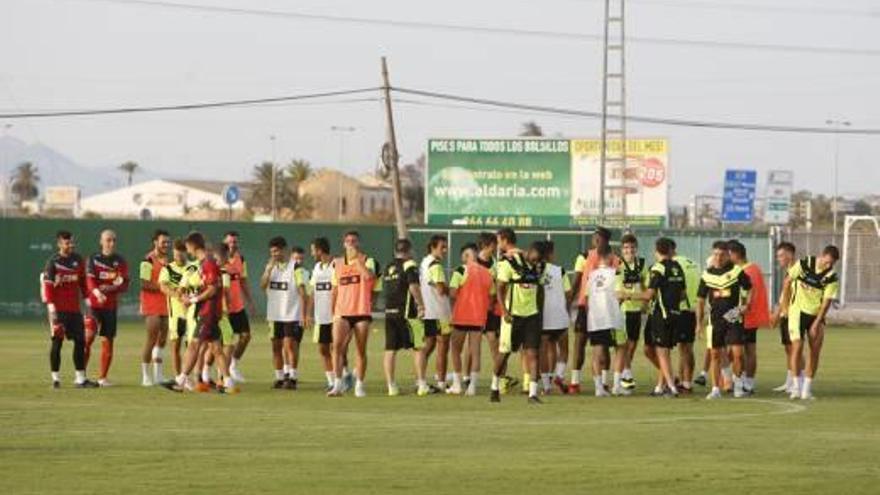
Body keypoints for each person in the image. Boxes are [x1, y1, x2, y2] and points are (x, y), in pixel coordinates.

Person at [162, 231, 237, 394]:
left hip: (208, 312)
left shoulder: (208, 264)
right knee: (216, 349)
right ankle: (228, 381)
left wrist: (194, 300)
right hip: (209, 311)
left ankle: (180, 380)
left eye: (187, 247)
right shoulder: (203, 264)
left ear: (193, 246)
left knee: (194, 345)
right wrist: (193, 295)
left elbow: (212, 289)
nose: (187, 251)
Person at [778, 245, 840, 400]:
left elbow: (826, 303)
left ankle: (807, 390)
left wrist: (816, 323)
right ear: (822, 255)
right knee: (797, 347)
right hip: (797, 312)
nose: (828, 265)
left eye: (831, 263)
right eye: (827, 262)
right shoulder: (805, 263)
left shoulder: (831, 277)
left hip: (816, 315)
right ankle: (796, 387)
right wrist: (785, 307)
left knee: (815, 351)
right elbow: (787, 283)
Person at [490, 228, 544, 404]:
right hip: (512, 316)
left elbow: (540, 289)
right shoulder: (507, 262)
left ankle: (533, 394)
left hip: (532, 316)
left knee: (533, 353)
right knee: (504, 353)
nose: (498, 244)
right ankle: (494, 387)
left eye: (499, 241)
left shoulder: (537, 264)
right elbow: (500, 288)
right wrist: (504, 312)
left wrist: (539, 311)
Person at [696, 241, 752, 399]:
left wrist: (745, 305)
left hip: (733, 316)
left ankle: (738, 385)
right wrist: (699, 323)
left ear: (728, 255)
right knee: (715, 354)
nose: (718, 257)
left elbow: (749, 287)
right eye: (715, 254)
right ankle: (715, 389)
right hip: (715, 319)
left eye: (722, 254)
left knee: (738, 354)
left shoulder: (736, 271)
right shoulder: (707, 274)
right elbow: (700, 300)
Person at [327, 231, 381, 397]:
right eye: (348, 241)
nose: (350, 243)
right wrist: (332, 311)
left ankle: (359, 385)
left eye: (354, 241)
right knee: (336, 347)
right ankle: (337, 384)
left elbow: (368, 276)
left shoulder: (367, 260)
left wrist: (357, 261)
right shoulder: (336, 263)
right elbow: (335, 289)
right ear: (343, 244)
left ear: (358, 243)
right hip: (342, 312)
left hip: (361, 311)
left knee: (360, 349)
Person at [42, 230, 96, 388]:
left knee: (80, 342)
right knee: (57, 343)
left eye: (72, 242)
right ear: (59, 244)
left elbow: (83, 284)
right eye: (67, 242)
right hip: (58, 310)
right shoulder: (53, 262)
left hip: (74, 310)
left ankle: (80, 379)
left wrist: (88, 304)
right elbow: (48, 288)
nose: (71, 245)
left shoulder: (77, 260)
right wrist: (52, 311)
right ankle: (55, 379)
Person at [569, 227, 619, 394]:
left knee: (603, 345)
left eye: (599, 238)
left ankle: (603, 382)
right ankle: (575, 381)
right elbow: (576, 282)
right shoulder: (584, 257)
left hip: (605, 307)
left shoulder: (614, 259)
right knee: (580, 341)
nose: (595, 241)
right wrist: (569, 301)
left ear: (606, 240)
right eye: (594, 238)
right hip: (585, 305)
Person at [83, 229, 129, 387]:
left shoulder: (120, 261)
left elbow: (124, 284)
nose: (111, 243)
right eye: (108, 240)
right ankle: (81, 375)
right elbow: (90, 281)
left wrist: (109, 289)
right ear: (101, 241)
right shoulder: (93, 259)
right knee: (88, 337)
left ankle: (102, 378)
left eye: (114, 240)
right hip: (94, 306)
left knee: (108, 342)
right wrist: (97, 292)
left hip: (110, 307)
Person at [261, 236, 307, 390]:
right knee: (276, 347)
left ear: (284, 250)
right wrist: (268, 270)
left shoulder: (296, 268)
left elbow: (302, 292)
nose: (274, 254)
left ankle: (292, 377)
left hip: (291, 314)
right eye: (272, 252)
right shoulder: (270, 267)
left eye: (277, 251)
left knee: (289, 346)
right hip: (275, 315)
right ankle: (280, 377)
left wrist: (304, 314)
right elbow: (262, 285)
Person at [641, 237, 686, 398]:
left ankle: (672, 387)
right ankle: (660, 386)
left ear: (656, 251)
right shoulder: (678, 267)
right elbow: (682, 294)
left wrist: (626, 294)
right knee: (661, 351)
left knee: (662, 352)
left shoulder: (658, 268)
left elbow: (648, 295)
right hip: (675, 313)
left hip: (662, 314)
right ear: (670, 250)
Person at [381, 238, 426, 396]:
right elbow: (413, 287)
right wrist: (421, 305)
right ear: (409, 250)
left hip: (389, 312)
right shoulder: (410, 265)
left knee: (390, 349)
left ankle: (391, 386)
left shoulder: (388, 267)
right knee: (418, 347)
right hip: (408, 312)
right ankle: (421, 384)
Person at [449, 242, 493, 395]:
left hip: (461, 316)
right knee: (476, 352)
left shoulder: (461, 270)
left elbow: (453, 293)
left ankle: (457, 384)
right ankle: (472, 387)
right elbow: (492, 295)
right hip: (479, 317)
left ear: (467, 255)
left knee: (455, 350)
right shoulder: (487, 272)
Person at [728, 240, 770, 395]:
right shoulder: (755, 268)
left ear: (735, 254)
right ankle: (747, 383)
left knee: (739, 351)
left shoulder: (745, 271)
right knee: (749, 350)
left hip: (744, 316)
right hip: (752, 315)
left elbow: (748, 298)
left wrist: (728, 317)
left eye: (728, 254)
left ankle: (742, 382)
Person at [584, 243, 625, 397]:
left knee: (597, 353)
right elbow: (620, 295)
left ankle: (598, 388)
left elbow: (587, 298)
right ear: (609, 256)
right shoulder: (616, 273)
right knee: (621, 348)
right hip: (612, 317)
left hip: (595, 318)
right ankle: (616, 385)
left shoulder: (592, 275)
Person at [158, 239, 198, 378]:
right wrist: (180, 297)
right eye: (176, 253)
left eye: (181, 253)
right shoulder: (167, 269)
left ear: (186, 252)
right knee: (175, 346)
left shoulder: (193, 267)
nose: (178, 256)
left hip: (193, 313)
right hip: (176, 314)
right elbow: (163, 287)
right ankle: (178, 376)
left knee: (192, 346)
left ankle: (190, 376)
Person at [418, 235, 452, 395]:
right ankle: (441, 382)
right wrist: (452, 290)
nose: (445, 250)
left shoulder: (424, 262)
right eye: (442, 247)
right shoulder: (435, 265)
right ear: (433, 247)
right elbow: (440, 289)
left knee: (428, 347)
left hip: (428, 312)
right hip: (440, 313)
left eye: (446, 247)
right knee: (442, 347)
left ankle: (421, 380)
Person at [536, 241, 571, 395]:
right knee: (563, 349)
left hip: (543, 318)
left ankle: (546, 386)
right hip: (559, 316)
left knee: (543, 351)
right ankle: (559, 375)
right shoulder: (560, 271)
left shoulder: (535, 271)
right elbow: (569, 293)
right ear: (549, 254)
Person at [614, 234, 647, 394]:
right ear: (622, 250)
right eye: (626, 248)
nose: (629, 250)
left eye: (632, 247)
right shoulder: (618, 265)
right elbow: (618, 292)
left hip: (636, 310)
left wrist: (644, 303)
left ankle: (624, 376)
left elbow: (647, 286)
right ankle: (625, 377)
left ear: (636, 249)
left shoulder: (642, 264)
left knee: (632, 346)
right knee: (623, 346)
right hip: (623, 310)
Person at [308, 237, 341, 391]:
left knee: (338, 349)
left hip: (336, 316)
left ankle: (342, 378)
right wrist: (308, 313)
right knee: (323, 349)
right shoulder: (316, 267)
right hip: (321, 316)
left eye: (313, 250)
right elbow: (313, 292)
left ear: (320, 250)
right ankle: (331, 381)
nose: (311, 253)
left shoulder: (336, 264)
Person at [770, 242, 802, 394]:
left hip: (793, 315)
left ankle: (799, 382)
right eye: (778, 256)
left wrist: (779, 313)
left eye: (781, 256)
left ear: (790, 255)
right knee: (789, 349)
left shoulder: (798, 271)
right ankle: (790, 381)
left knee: (796, 349)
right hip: (785, 315)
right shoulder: (788, 271)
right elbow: (784, 295)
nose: (779, 259)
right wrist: (778, 313)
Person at [139, 229, 170, 386]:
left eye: (167, 242)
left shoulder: (169, 261)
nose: (166, 244)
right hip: (151, 305)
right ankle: (145, 375)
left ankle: (158, 375)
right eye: (163, 241)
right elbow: (144, 283)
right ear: (155, 242)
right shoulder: (147, 260)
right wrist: (163, 287)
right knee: (151, 339)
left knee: (163, 339)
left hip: (166, 304)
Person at [223, 231, 255, 383]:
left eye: (235, 242)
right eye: (230, 242)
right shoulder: (218, 261)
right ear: (224, 242)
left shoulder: (241, 259)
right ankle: (211, 373)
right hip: (223, 308)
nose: (232, 244)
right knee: (222, 342)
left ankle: (233, 366)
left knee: (245, 336)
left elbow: (243, 281)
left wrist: (250, 302)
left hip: (238, 307)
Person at [671, 240, 701, 394]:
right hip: (693, 309)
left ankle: (683, 383)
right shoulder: (693, 264)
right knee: (686, 348)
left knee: (679, 349)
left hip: (680, 309)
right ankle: (684, 381)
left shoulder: (673, 266)